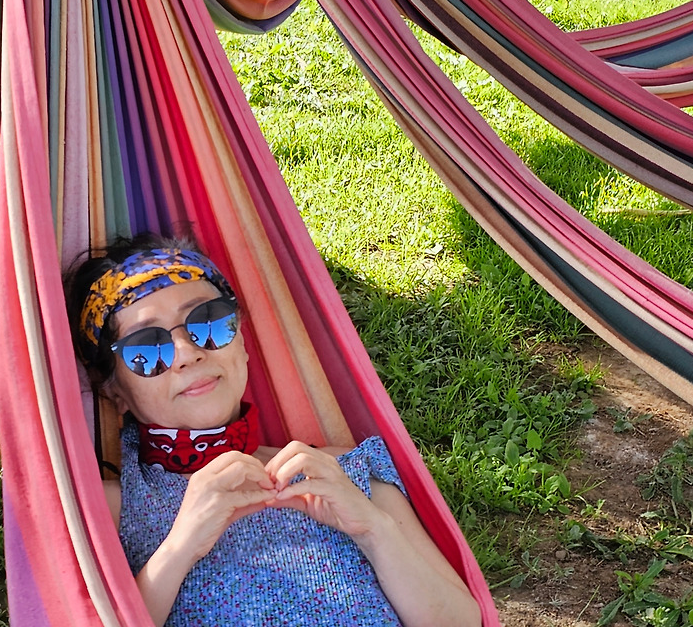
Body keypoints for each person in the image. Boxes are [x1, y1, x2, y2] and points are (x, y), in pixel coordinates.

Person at [66, 233, 483, 627]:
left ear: (242, 342)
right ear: (115, 389)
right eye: (146, 346)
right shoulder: (111, 509)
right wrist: (180, 547)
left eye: (208, 321)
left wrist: (374, 530)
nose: (188, 354)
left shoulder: (343, 471)